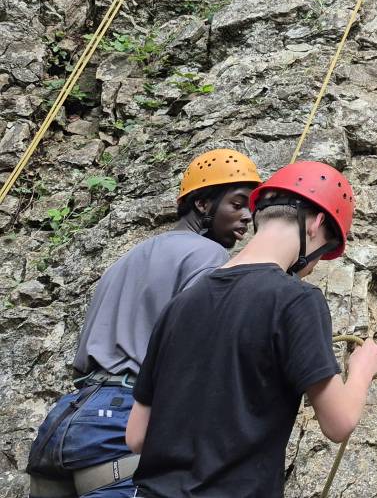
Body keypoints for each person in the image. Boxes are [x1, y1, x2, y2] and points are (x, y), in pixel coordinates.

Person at [125, 161, 377, 496]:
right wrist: (362, 369)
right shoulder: (296, 299)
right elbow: (339, 422)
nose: (314, 265)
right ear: (317, 223)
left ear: (259, 215)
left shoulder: (180, 303)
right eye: (324, 250)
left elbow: (136, 436)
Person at [26, 149, 260, 498]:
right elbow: (198, 347)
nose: (247, 217)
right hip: (121, 423)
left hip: (67, 419)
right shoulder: (208, 255)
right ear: (202, 204)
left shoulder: (129, 258)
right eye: (237, 204)